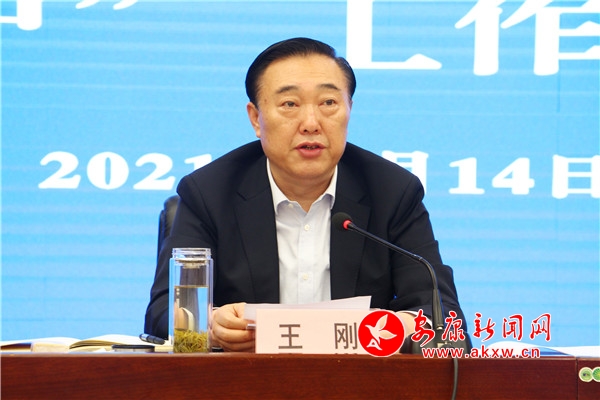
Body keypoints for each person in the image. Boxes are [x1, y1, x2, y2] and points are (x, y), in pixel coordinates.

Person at [145, 37, 468, 352]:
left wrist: (395, 328)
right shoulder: (209, 192)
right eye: (290, 104)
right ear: (256, 118)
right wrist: (212, 324)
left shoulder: (393, 191)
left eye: (329, 103)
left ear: (349, 109)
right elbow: (162, 313)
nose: (311, 123)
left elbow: (443, 318)